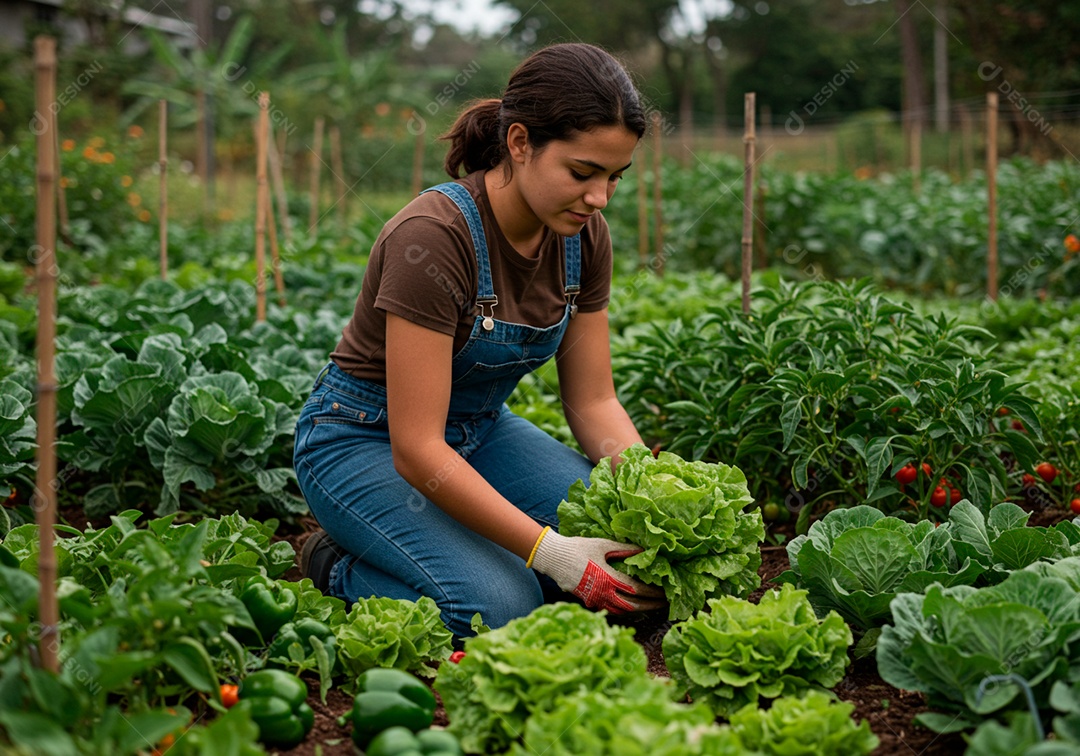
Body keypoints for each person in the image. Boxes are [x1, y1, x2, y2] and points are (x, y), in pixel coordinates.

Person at [293, 42, 665, 638]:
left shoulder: (584, 238)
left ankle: (450, 553)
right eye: (582, 172)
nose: (600, 198)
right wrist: (554, 553)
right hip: (365, 439)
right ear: (520, 144)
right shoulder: (434, 239)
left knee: (633, 561)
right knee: (500, 607)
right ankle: (336, 565)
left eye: (615, 177)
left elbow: (594, 401)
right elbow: (416, 448)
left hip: (479, 432)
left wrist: (656, 497)